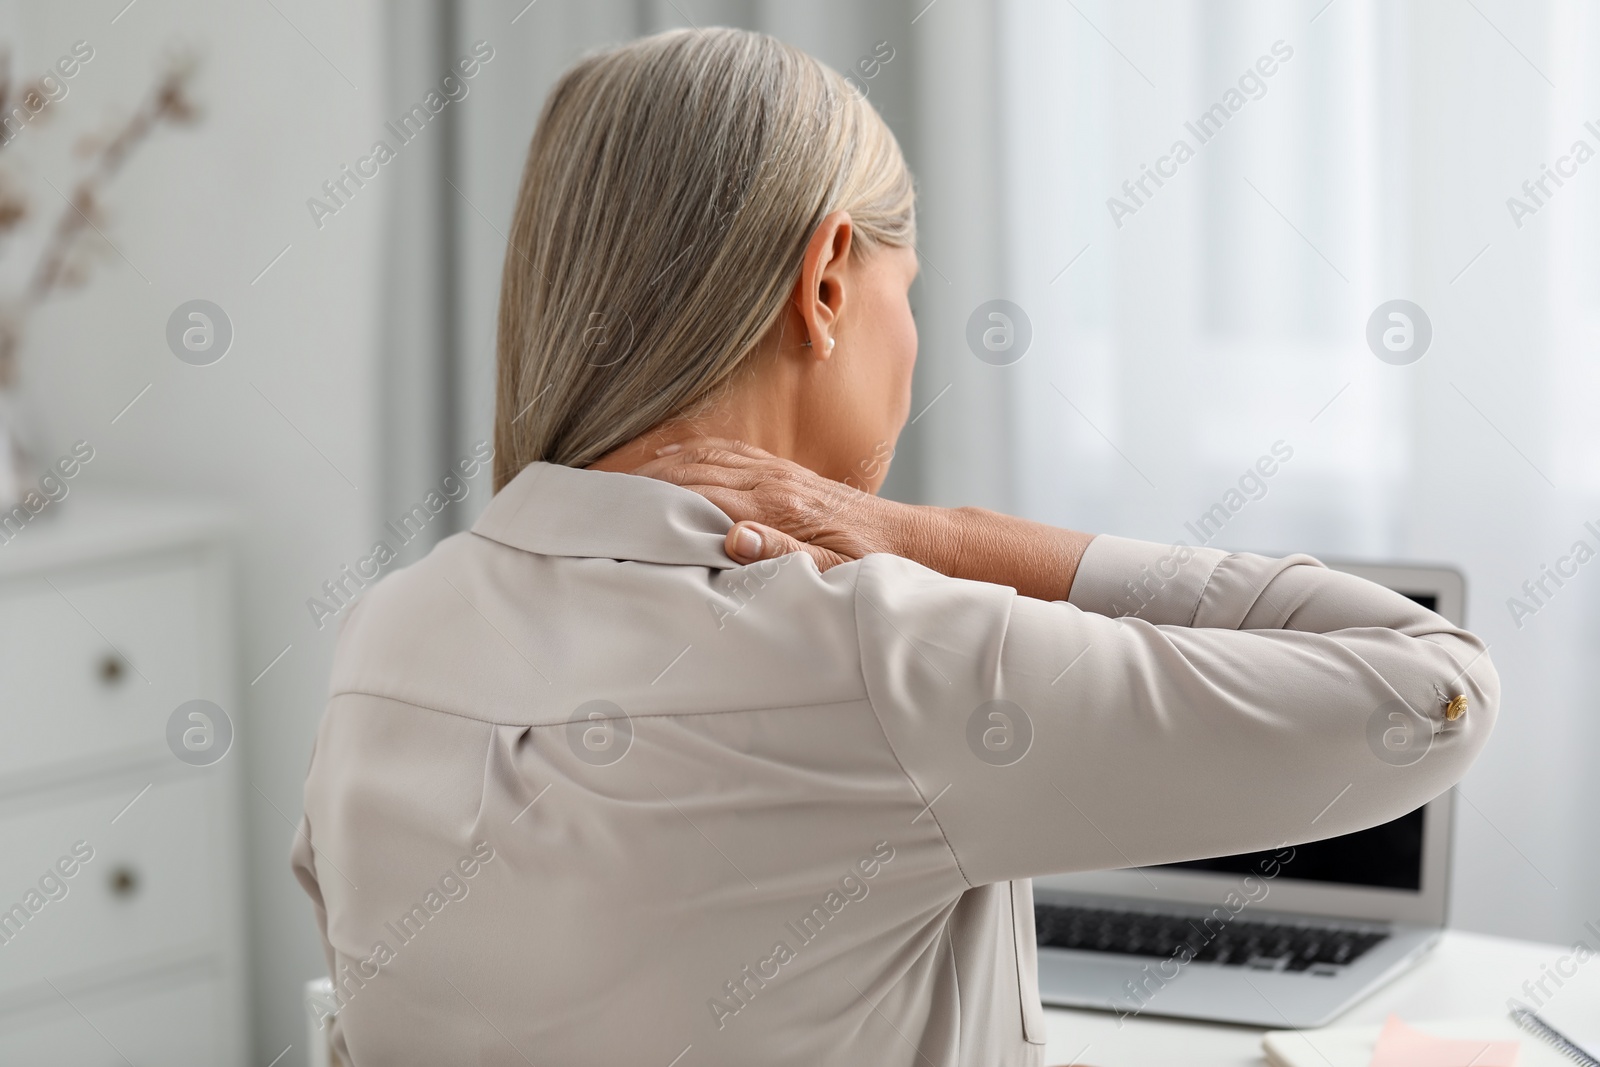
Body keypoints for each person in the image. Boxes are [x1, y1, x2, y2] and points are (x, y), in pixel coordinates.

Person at [292, 27, 1498, 1067]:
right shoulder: (877, 651)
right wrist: (933, 537)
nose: (911, 341)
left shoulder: (381, 641)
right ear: (823, 283)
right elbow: (1433, 690)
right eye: (902, 288)